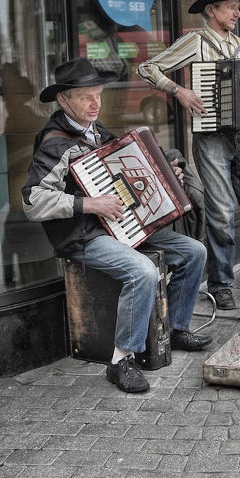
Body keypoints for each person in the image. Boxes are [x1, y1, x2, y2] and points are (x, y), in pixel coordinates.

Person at [22, 58, 212, 393]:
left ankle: (175, 329)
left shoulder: (97, 133)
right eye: (86, 97)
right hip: (83, 236)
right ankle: (121, 360)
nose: (96, 103)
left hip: (123, 226)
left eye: (98, 95)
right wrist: (88, 204)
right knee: (142, 272)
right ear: (63, 100)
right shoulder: (55, 143)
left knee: (194, 251)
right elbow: (32, 201)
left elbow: (127, 176)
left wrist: (170, 174)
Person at [138, 0, 240, 311]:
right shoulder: (195, 41)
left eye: (239, 7)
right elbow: (148, 67)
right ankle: (221, 283)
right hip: (211, 140)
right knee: (221, 214)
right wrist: (179, 91)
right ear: (211, 10)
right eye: (231, 6)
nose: (238, 12)